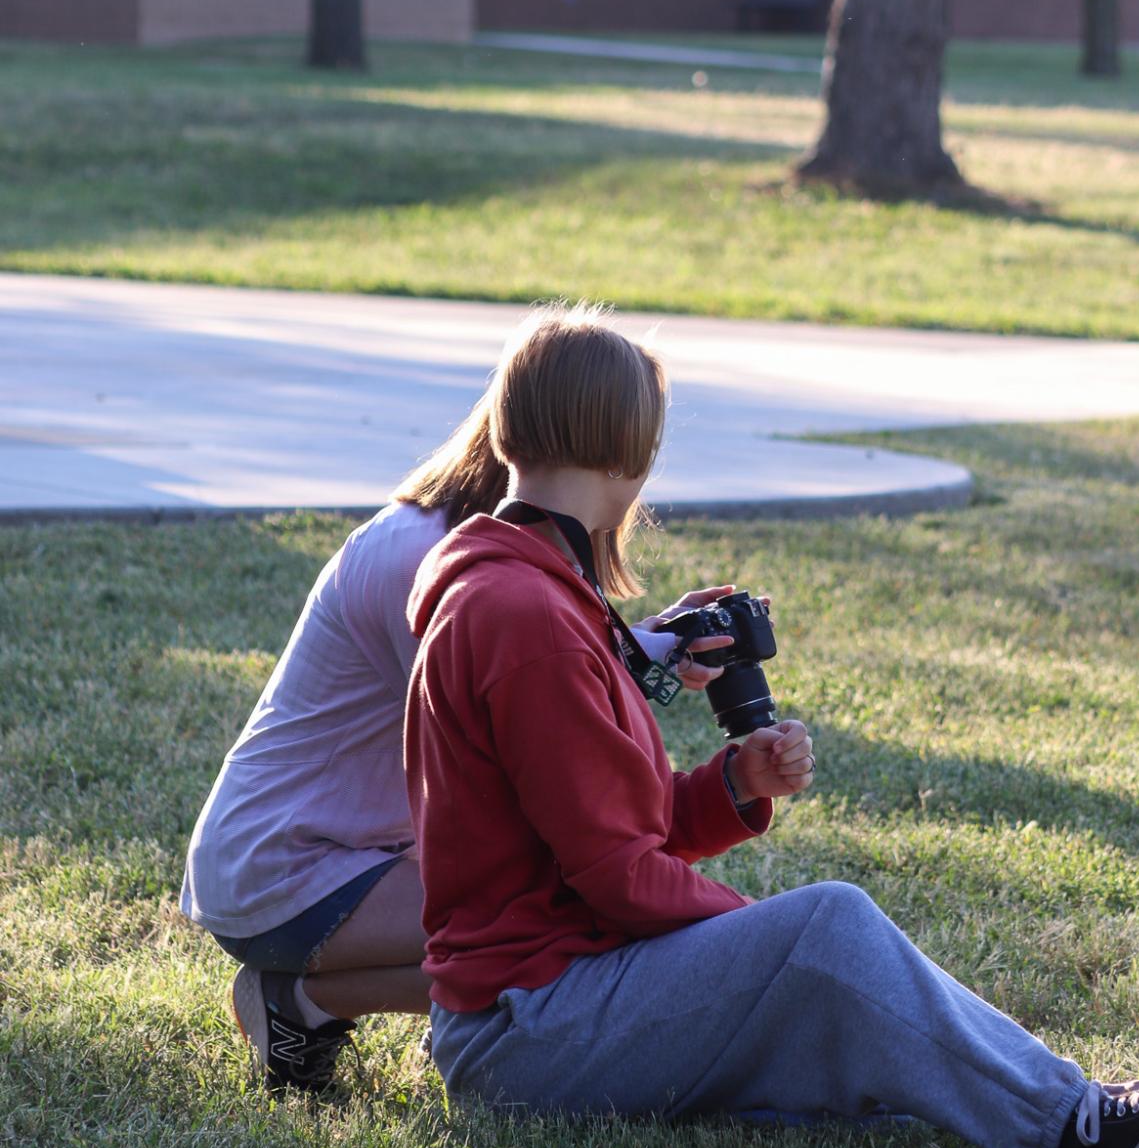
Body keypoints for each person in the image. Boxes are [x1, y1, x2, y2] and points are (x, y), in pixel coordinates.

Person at [405, 303, 1139, 1148]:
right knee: (827, 926)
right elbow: (616, 872)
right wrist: (767, 942)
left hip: (549, 1004)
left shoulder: (532, 593)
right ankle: (1079, 1130)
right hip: (531, 1033)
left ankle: (1033, 1100)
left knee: (828, 971)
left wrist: (729, 786)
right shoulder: (524, 616)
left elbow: (591, 829)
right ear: (630, 451)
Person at [180, 344, 740, 1093]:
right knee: (555, 917)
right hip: (287, 865)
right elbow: (524, 720)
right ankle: (300, 999)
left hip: (364, 854)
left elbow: (550, 683)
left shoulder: (484, 555)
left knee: (549, 907)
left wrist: (652, 648)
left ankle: (395, 1008)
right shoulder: (427, 559)